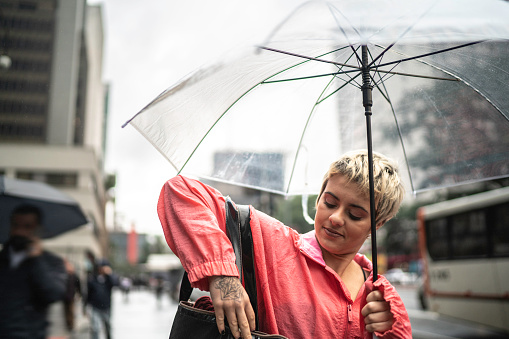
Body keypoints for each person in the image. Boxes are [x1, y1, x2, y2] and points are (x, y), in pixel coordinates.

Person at [157, 150, 412, 339]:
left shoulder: (382, 295)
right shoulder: (275, 243)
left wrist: (390, 330)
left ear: (377, 224)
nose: (335, 218)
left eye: (355, 215)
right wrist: (222, 277)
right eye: (330, 202)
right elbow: (180, 192)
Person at [0, 204, 67, 339]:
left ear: (38, 230)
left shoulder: (51, 262)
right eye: (15, 225)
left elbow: (53, 294)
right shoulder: (2, 259)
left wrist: (36, 260)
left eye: (27, 227)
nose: (19, 231)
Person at [85, 259, 117, 339]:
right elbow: (88, 293)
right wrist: (85, 306)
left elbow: (115, 283)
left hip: (106, 307)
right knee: (95, 328)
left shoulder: (108, 279)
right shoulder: (92, 278)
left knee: (107, 326)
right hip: (95, 307)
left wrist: (110, 274)